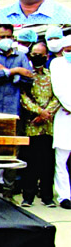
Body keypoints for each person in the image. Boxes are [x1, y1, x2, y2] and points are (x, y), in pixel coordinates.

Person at [0, 23, 34, 197]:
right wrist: (15, 72)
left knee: (13, 151)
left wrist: (7, 72)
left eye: (9, 36)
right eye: (2, 36)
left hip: (15, 111)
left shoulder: (21, 56)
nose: (6, 40)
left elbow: (29, 79)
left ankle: (8, 191)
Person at [19, 42, 59, 207]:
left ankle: (47, 197)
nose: (37, 57)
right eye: (34, 54)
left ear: (46, 56)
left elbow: (58, 96)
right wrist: (38, 112)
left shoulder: (52, 76)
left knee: (47, 162)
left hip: (48, 125)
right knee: (30, 161)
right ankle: (28, 196)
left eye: (40, 54)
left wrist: (46, 113)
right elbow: (23, 97)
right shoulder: (27, 75)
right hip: (31, 125)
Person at [51, 36, 71, 209]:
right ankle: (64, 196)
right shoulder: (57, 65)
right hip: (65, 114)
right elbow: (59, 89)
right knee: (62, 159)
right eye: (68, 49)